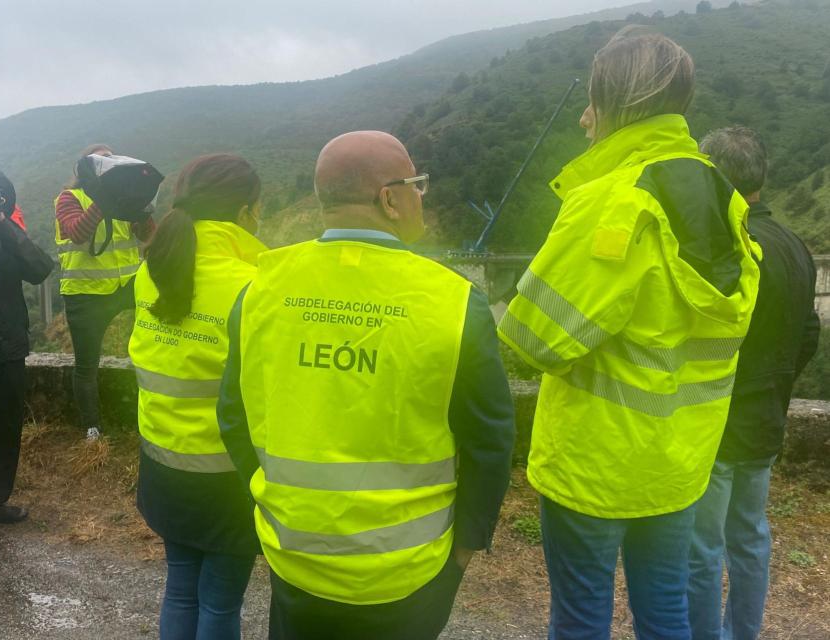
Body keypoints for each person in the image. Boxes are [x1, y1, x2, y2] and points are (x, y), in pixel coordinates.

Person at [497, 29, 761, 639]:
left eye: (592, 101)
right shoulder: (724, 196)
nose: (583, 118)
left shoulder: (612, 200)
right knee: (665, 609)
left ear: (617, 102)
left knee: (581, 616)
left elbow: (535, 339)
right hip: (678, 462)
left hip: (595, 463)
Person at [218, 130, 515, 640]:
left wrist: (278, 507)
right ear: (390, 200)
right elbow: (489, 439)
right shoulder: (453, 301)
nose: (422, 196)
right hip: (408, 569)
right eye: (417, 185)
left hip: (296, 557)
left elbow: (233, 416)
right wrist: (468, 543)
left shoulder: (261, 288)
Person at [688, 126, 821, 640]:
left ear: (713, 178)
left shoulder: (728, 245)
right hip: (767, 418)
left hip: (718, 421)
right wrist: (778, 382)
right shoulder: (795, 245)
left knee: (702, 548)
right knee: (749, 538)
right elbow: (808, 333)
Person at [128, 154, 266, 639]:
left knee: (181, 589)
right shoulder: (254, 285)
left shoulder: (153, 269)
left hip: (164, 462)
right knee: (220, 604)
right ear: (246, 212)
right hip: (228, 474)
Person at [0, 166, 54, 558]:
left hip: (9, 348)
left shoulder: (4, 231)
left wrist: (4, 224)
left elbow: (40, 269)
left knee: (3, 428)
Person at [55, 143, 155, 441]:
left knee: (154, 341)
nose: (108, 167)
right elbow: (77, 233)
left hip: (127, 285)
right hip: (85, 292)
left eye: (112, 161)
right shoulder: (69, 198)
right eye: (100, 162)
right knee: (87, 364)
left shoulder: (125, 199)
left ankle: (150, 413)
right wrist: (105, 198)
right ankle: (92, 428)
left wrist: (142, 210)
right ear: (84, 169)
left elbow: (149, 236)